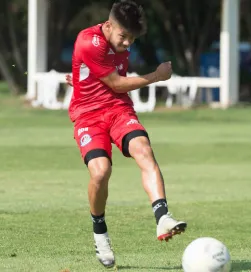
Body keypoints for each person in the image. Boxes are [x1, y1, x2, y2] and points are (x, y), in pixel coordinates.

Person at [65, 0, 187, 268]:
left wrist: (80, 75)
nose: (127, 44)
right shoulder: (89, 41)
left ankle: (163, 216)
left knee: (143, 150)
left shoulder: (117, 39)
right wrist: (156, 76)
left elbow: (107, 78)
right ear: (108, 26)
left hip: (119, 109)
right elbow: (117, 83)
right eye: (123, 36)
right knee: (100, 171)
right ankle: (100, 234)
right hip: (88, 115)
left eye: (132, 38)